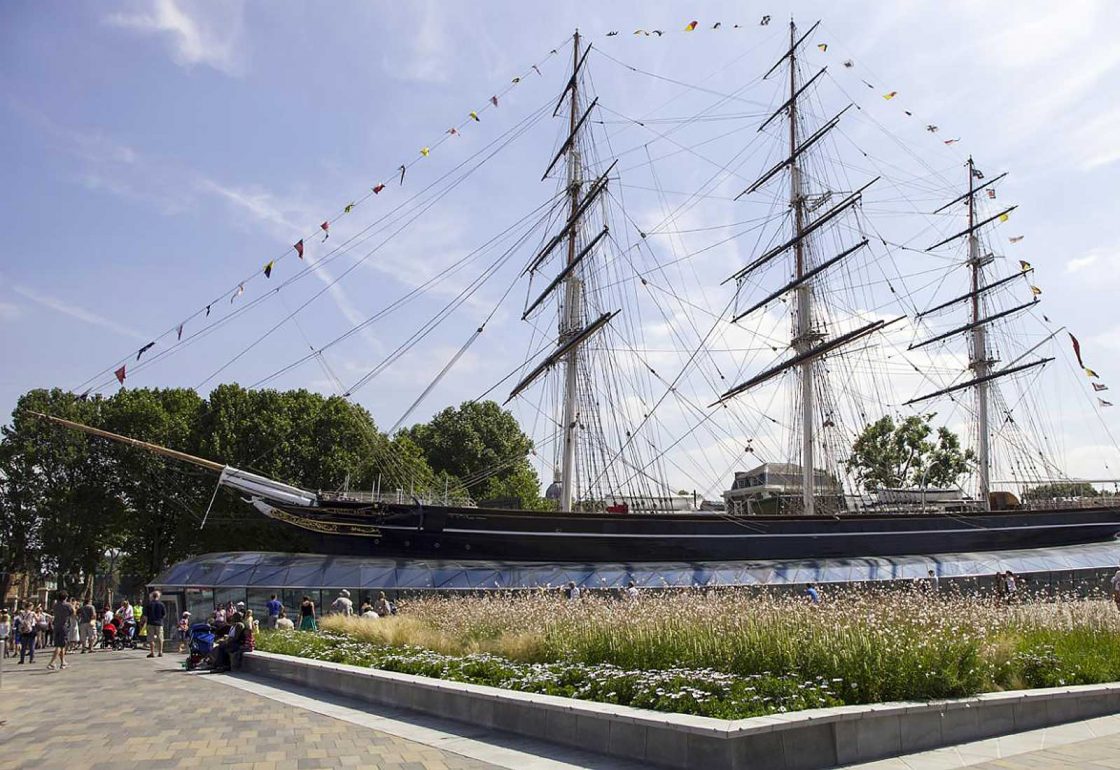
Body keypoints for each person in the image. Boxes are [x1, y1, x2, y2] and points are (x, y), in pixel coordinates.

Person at [46, 591, 74, 670]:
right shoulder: (67, 605)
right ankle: (52, 662)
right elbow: (73, 614)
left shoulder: (55, 605)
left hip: (56, 626)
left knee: (61, 645)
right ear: (65, 597)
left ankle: (63, 662)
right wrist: (73, 605)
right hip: (63, 626)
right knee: (60, 645)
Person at [144, 590, 167, 658]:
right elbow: (164, 615)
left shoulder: (149, 604)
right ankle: (160, 652)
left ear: (152, 596)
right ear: (158, 596)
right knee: (160, 638)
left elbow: (145, 615)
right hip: (159, 623)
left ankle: (152, 652)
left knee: (151, 638)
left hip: (150, 623)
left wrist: (146, 623)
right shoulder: (161, 604)